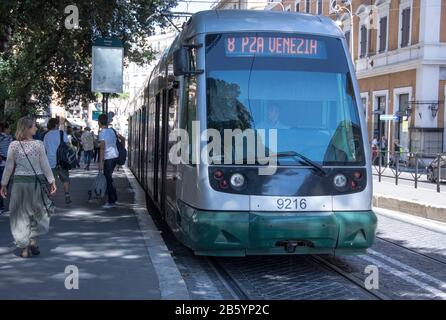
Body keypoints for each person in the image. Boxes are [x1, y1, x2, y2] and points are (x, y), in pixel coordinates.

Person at [0, 116, 56, 258]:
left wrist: (4, 184)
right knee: (38, 213)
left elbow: (9, 167)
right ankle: (33, 241)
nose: (36, 128)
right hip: (36, 184)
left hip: (19, 184)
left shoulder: (13, 145)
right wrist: (52, 181)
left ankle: (24, 248)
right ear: (27, 128)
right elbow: (44, 164)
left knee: (20, 215)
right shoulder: (38, 144)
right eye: (34, 126)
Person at [98, 114, 125, 208]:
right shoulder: (112, 130)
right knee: (109, 178)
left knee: (108, 179)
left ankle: (111, 201)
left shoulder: (102, 133)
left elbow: (102, 148)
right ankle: (114, 198)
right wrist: (122, 149)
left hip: (108, 158)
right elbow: (123, 139)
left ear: (99, 122)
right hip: (115, 156)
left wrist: (100, 162)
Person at [43, 118, 72, 204]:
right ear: (56, 125)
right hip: (62, 160)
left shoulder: (46, 135)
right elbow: (68, 145)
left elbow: (44, 149)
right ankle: (67, 195)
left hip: (50, 161)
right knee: (65, 179)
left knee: (51, 180)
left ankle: (50, 198)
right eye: (58, 124)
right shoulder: (62, 133)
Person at [0, 122, 14, 213]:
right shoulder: (10, 138)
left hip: (2, 163)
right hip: (7, 164)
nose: (10, 130)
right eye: (9, 128)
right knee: (5, 185)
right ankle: (2, 205)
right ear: (6, 129)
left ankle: (1, 206)